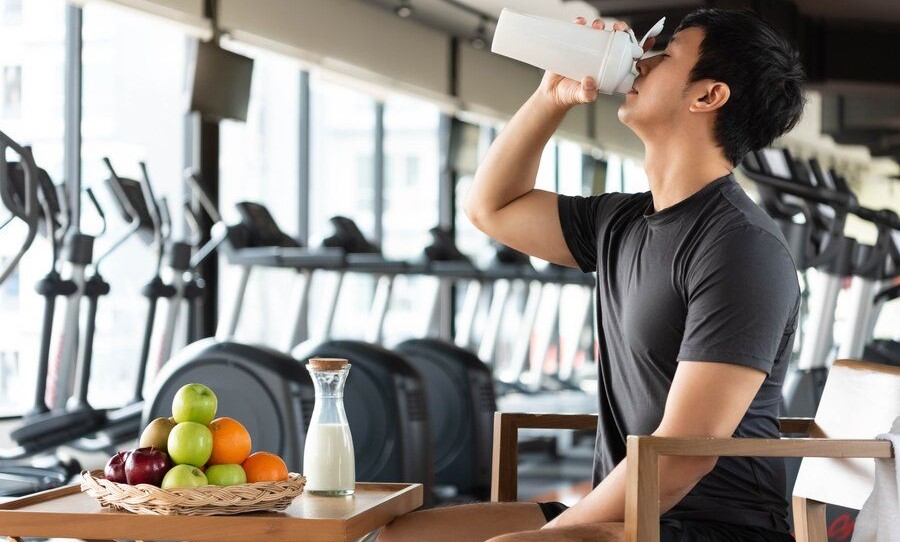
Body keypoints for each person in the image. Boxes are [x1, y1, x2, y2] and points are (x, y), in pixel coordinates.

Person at [378, 7, 805, 542]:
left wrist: (544, 535)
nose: (641, 62)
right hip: (624, 512)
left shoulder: (741, 248)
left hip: (708, 527)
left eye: (664, 54)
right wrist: (551, 96)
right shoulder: (622, 219)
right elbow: (493, 206)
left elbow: (679, 461)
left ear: (707, 96)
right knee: (405, 537)